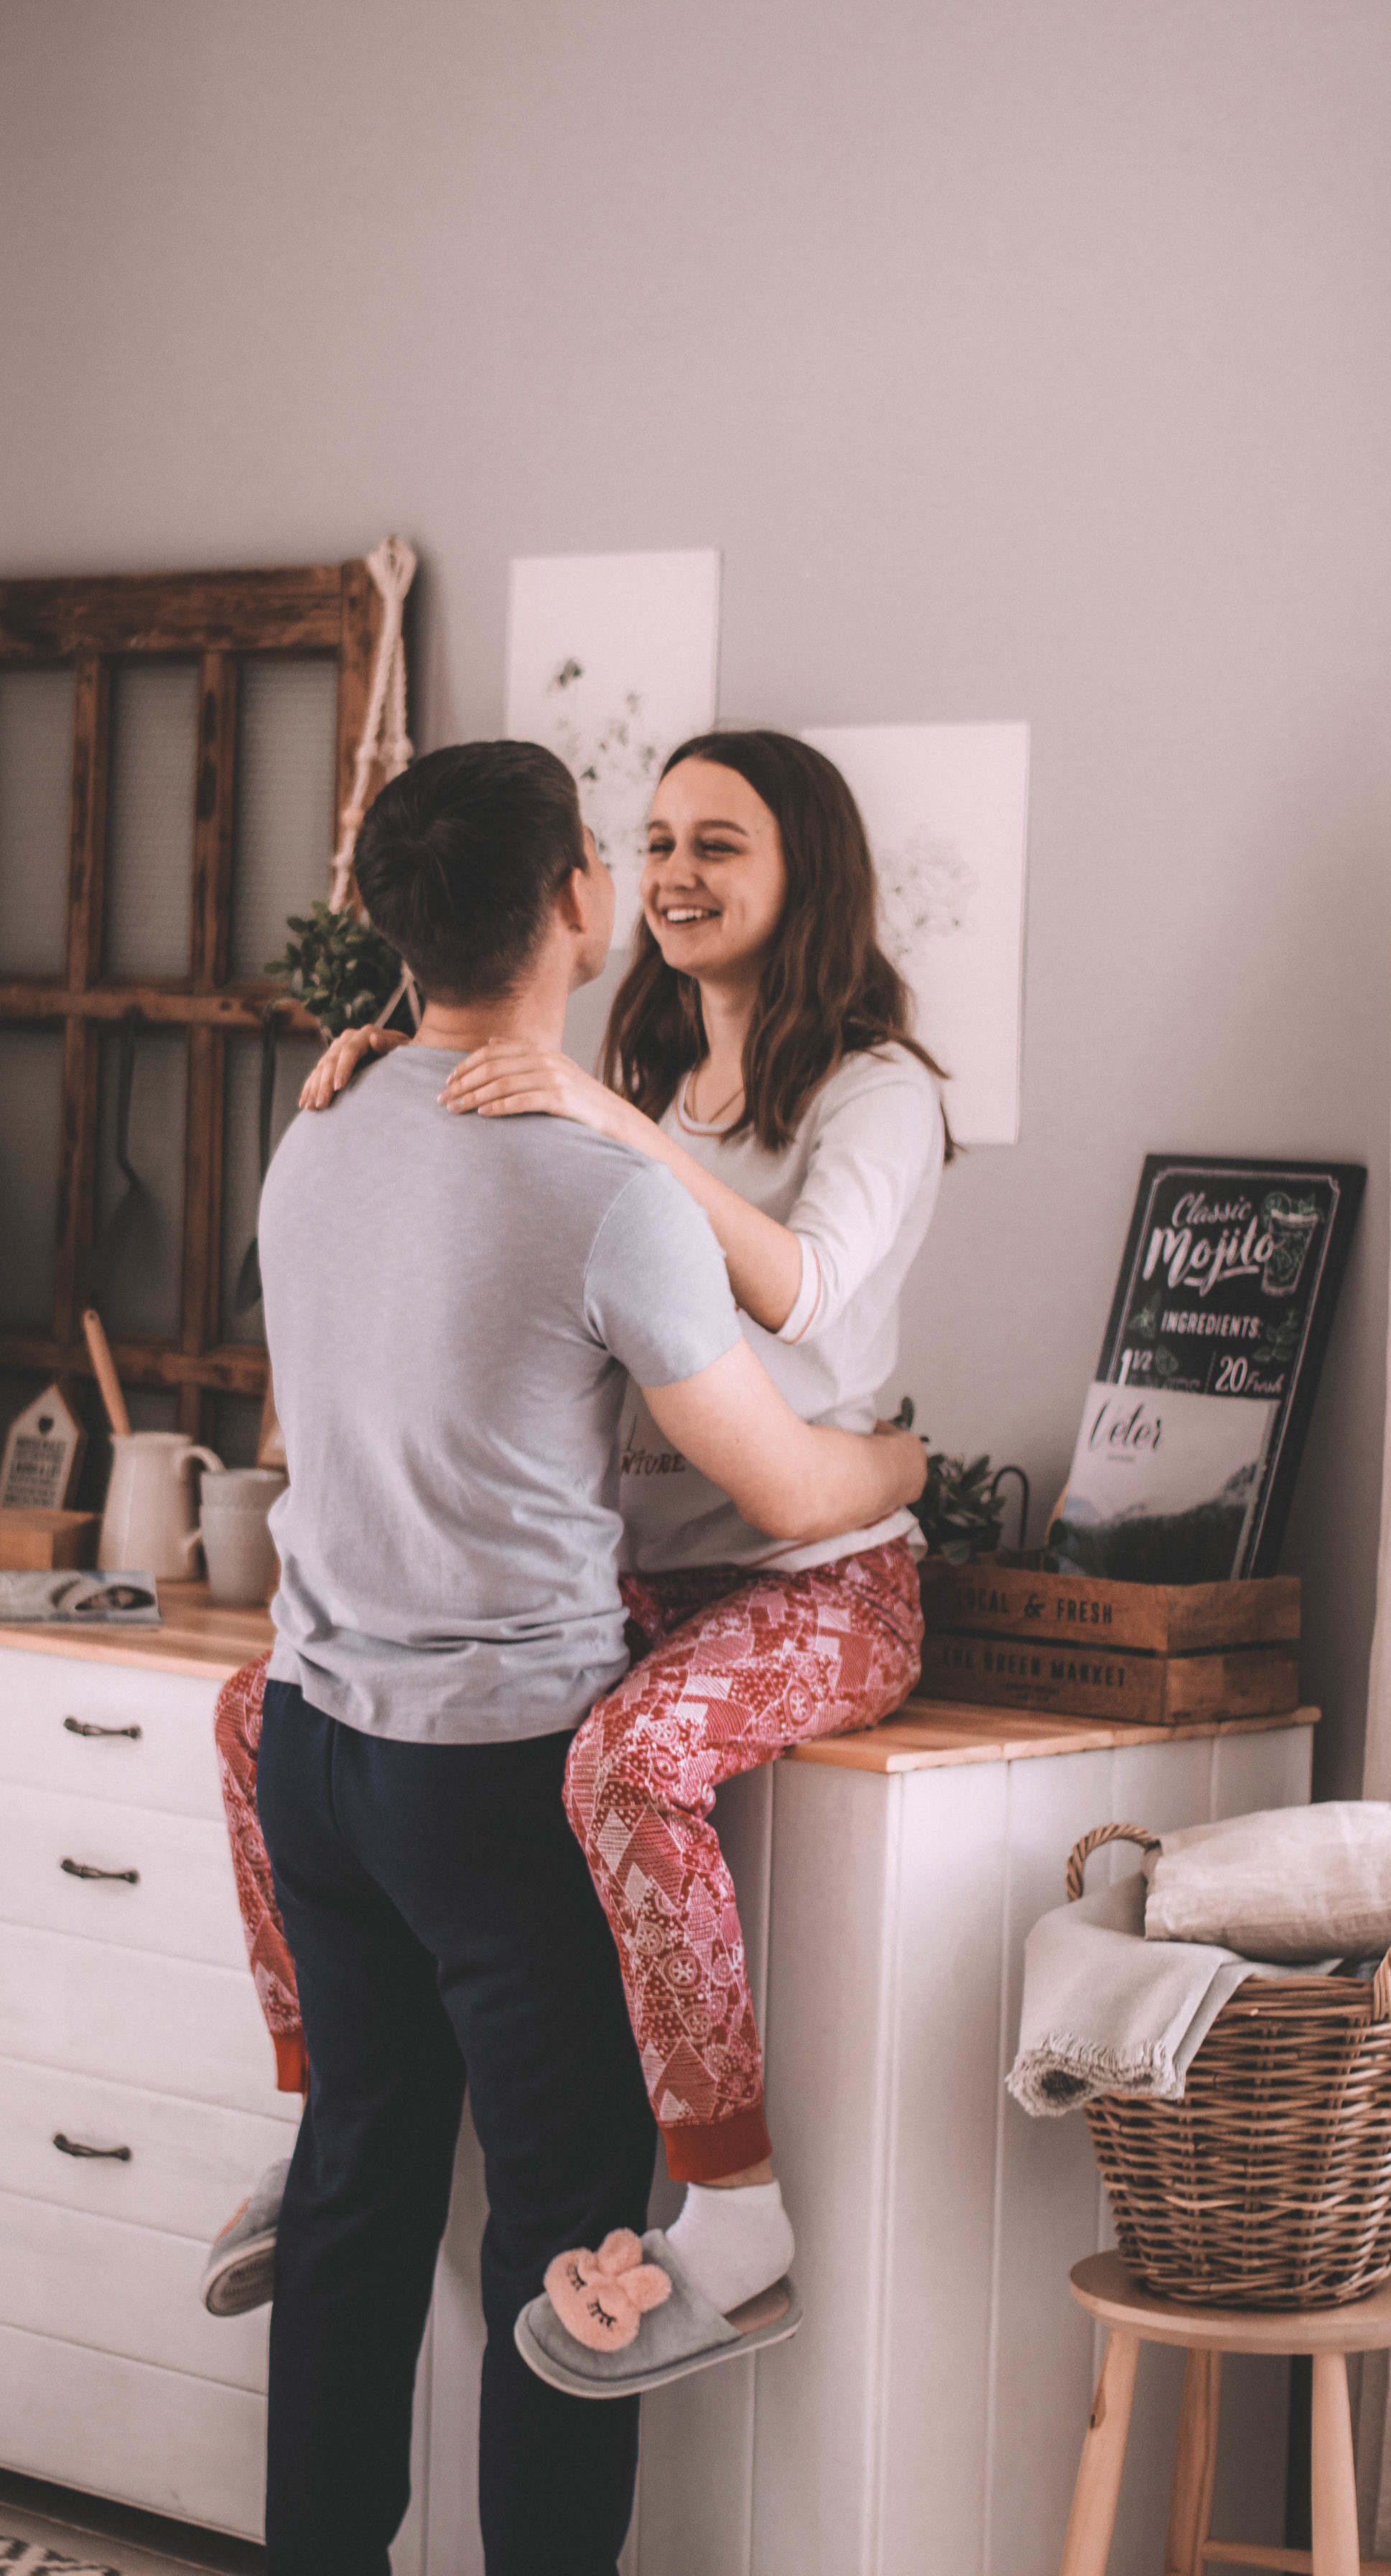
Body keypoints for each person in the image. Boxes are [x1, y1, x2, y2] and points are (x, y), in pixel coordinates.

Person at [221, 739, 925, 2576]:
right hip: (493, 1770)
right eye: (635, 849)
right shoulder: (601, 1183)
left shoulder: (311, 1130)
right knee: (563, 2242)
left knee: (360, 2193)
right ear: (576, 904)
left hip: (318, 1745)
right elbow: (776, 1472)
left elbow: (325, 1420)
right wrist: (915, 1466)